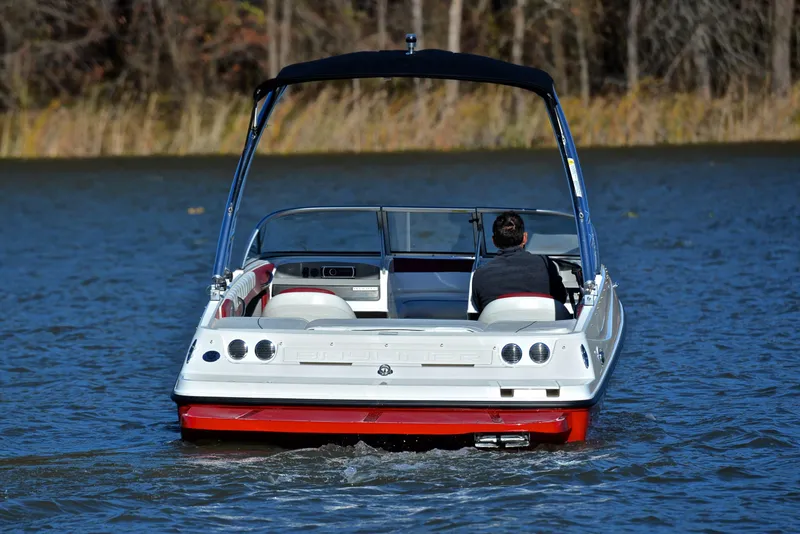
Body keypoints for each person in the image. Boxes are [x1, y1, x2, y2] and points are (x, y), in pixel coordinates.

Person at [471, 211, 568, 313]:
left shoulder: (480, 275)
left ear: (494, 241)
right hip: (542, 323)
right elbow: (561, 298)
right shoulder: (546, 266)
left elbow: (480, 307)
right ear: (525, 238)